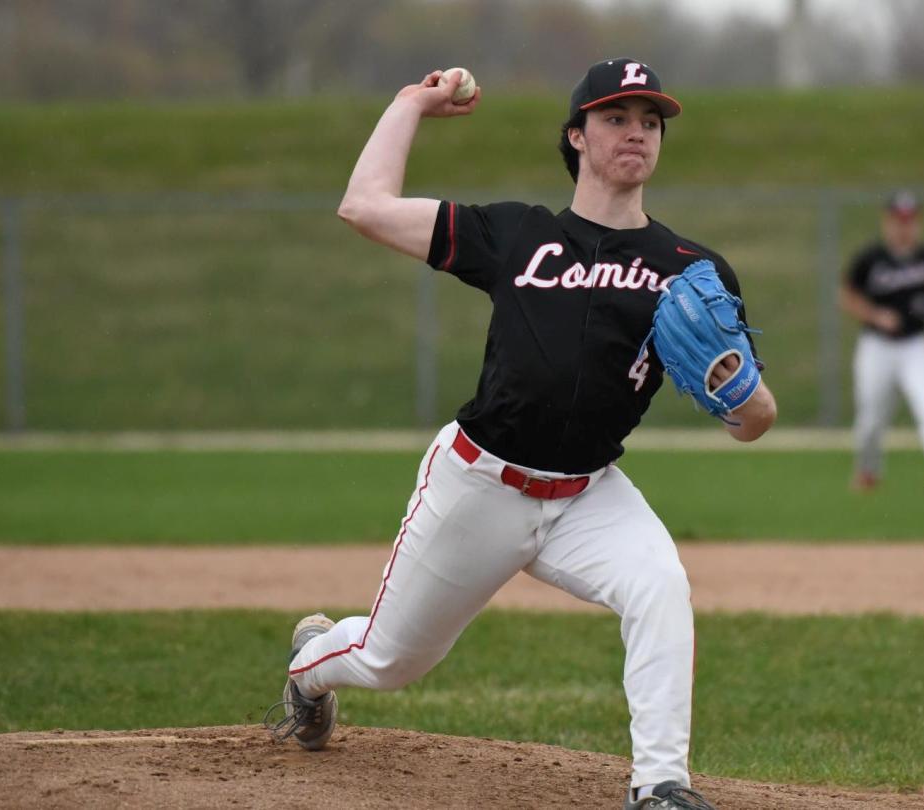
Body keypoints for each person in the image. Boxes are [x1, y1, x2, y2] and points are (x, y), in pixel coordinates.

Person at [265, 58, 777, 810]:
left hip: (588, 494)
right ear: (576, 135)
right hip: (479, 484)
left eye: (650, 120)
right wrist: (410, 104)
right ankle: (310, 664)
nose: (636, 131)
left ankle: (661, 785)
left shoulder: (691, 271)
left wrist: (741, 394)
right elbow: (364, 207)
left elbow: (753, 421)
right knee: (389, 658)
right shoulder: (518, 236)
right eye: (615, 117)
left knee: (661, 585)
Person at [839, 190, 924, 491]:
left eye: (909, 221)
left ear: (919, 223)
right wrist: (874, 315)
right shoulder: (871, 259)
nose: (904, 227)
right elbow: (847, 297)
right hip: (877, 346)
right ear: (887, 222)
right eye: (898, 220)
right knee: (871, 418)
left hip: (918, 345)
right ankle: (868, 469)